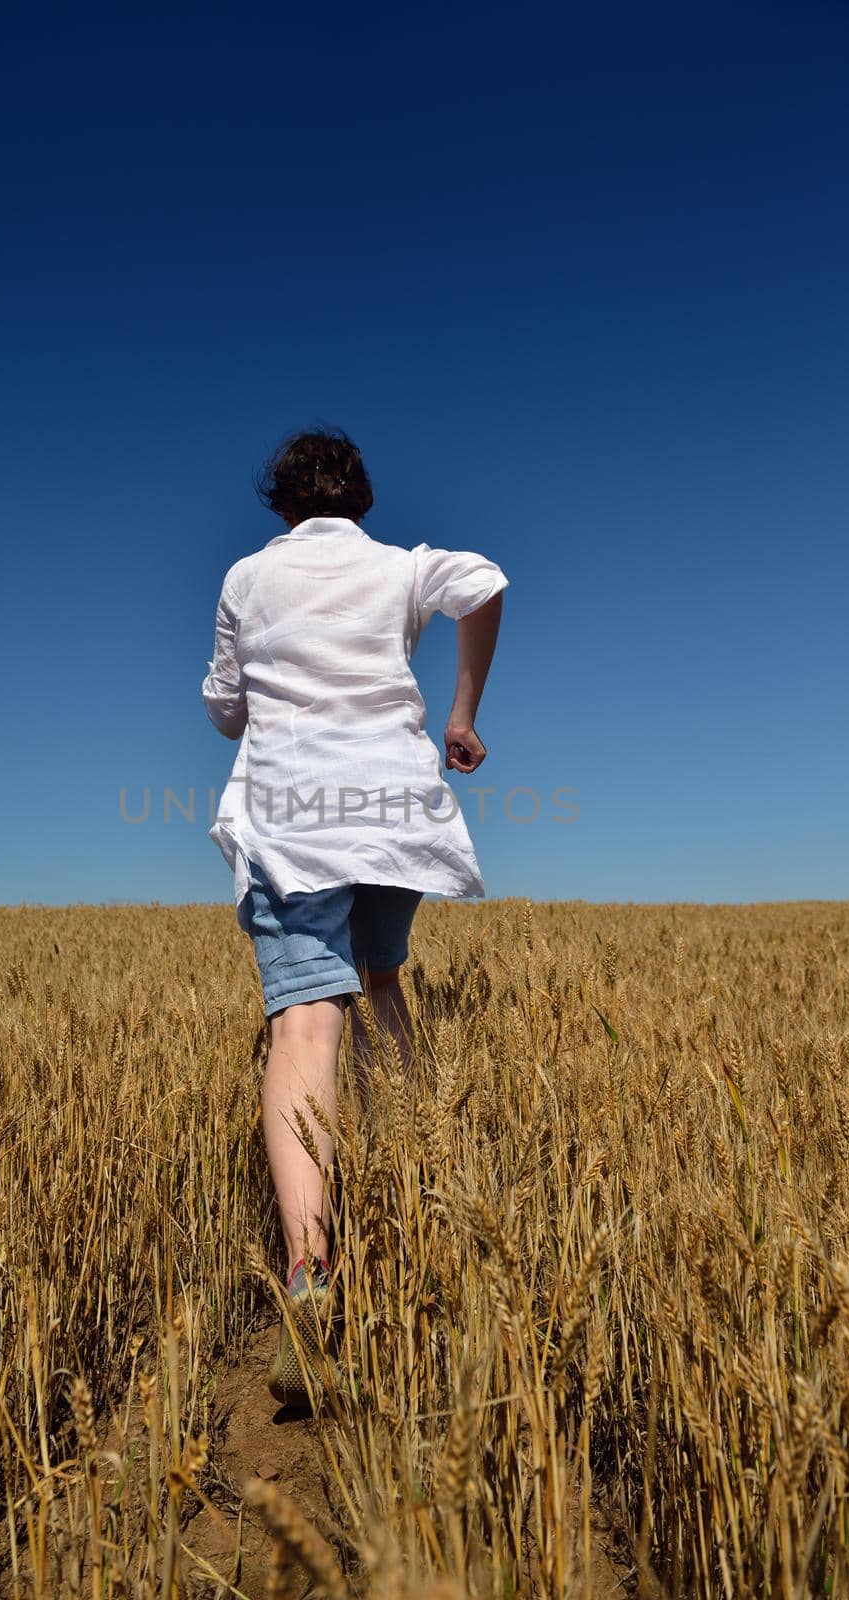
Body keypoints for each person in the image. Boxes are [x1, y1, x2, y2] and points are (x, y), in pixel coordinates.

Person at [201, 425, 507, 1403]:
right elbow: (489, 582)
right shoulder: (404, 568)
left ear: (282, 503)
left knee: (306, 1015)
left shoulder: (248, 579)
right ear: (360, 500)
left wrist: (260, 696)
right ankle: (422, 1168)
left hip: (297, 813)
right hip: (392, 810)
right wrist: (460, 714)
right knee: (383, 982)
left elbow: (225, 706)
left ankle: (309, 1267)